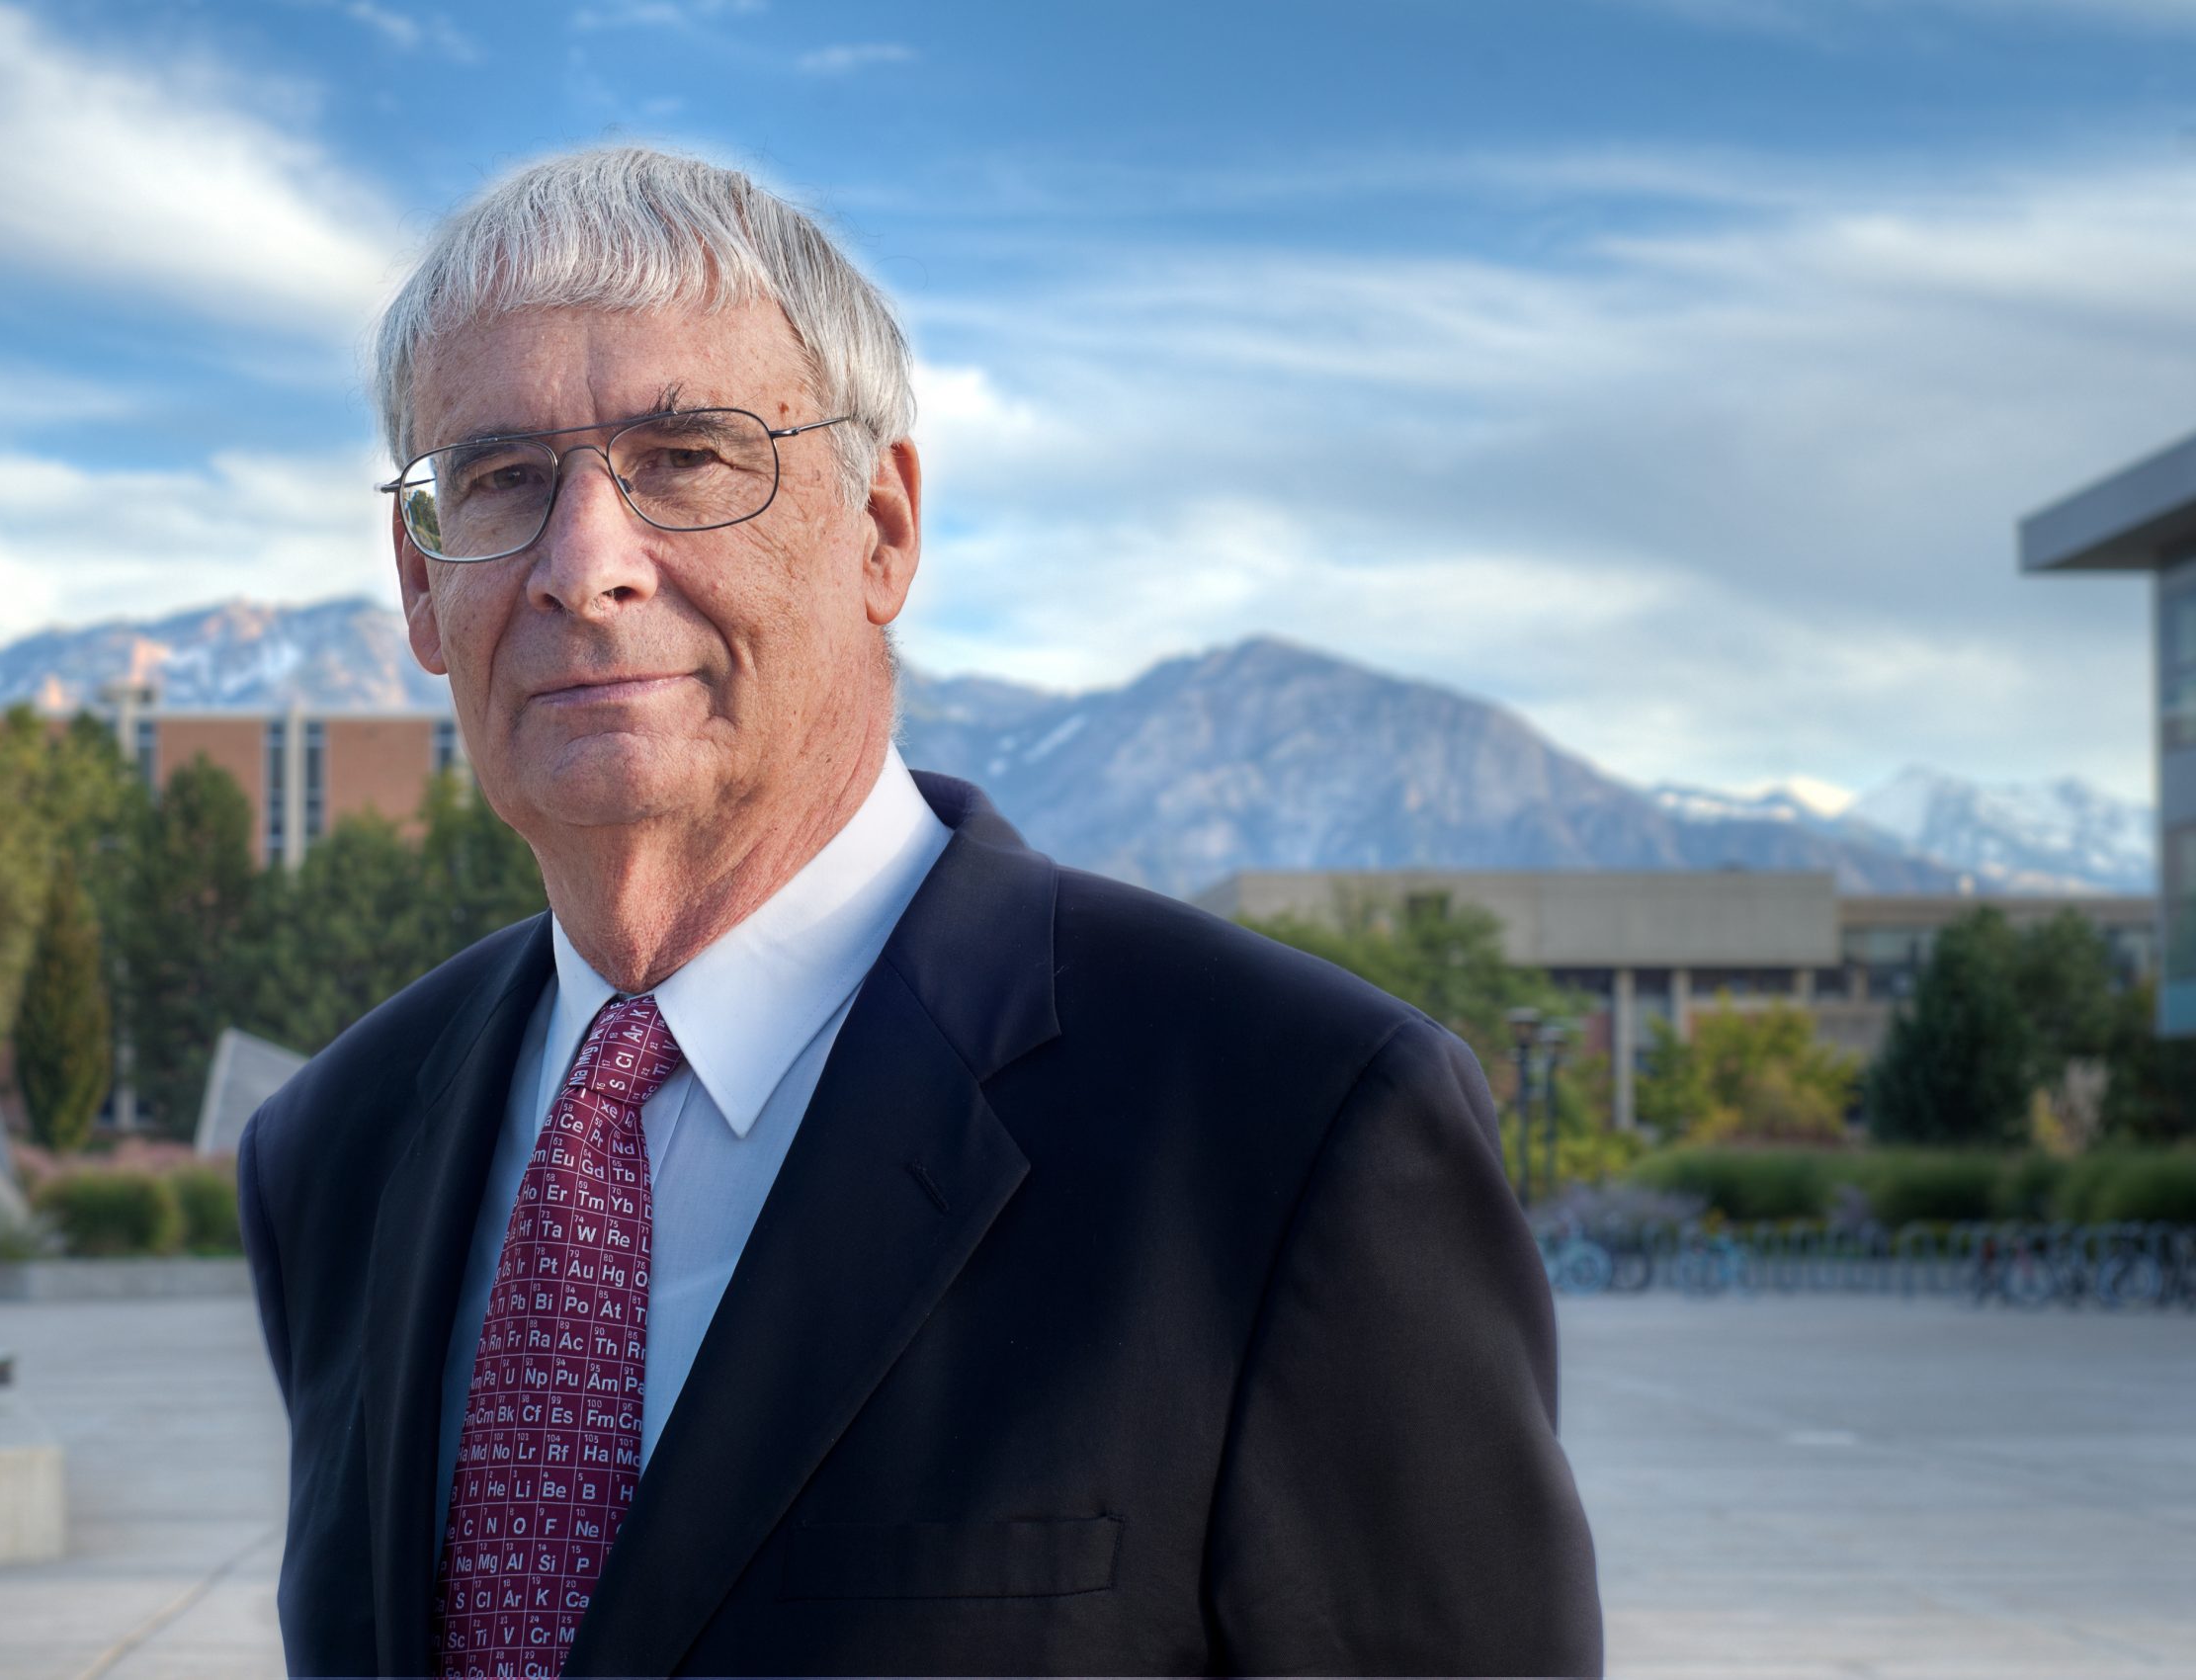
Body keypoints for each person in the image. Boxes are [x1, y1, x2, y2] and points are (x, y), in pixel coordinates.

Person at [238, 144, 1602, 1679]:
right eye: (497, 482)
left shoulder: (1288, 1129)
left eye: (688, 455)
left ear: (881, 529)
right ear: (423, 590)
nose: (585, 566)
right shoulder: (335, 1154)